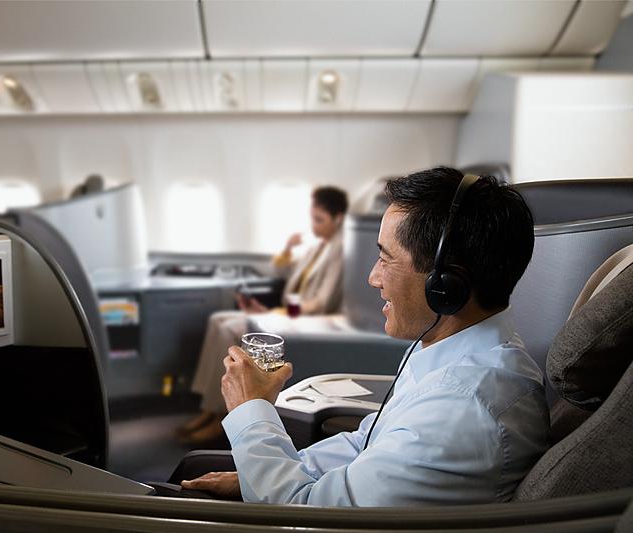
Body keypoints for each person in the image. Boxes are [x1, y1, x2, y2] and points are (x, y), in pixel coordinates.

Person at [181, 167, 550, 506]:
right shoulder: (449, 354)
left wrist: (251, 410)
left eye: (386, 259)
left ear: (446, 285)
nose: (373, 278)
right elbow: (366, 444)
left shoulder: (460, 412)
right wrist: (262, 471)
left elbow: (298, 516)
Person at [180, 186, 349, 444]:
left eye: (320, 220)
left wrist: (275, 312)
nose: (314, 226)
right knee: (218, 320)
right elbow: (283, 275)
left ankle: (220, 417)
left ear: (338, 219)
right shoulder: (318, 247)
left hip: (306, 321)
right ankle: (207, 409)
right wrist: (288, 249)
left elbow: (321, 302)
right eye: (312, 218)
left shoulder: (340, 251)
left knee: (228, 330)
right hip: (287, 313)